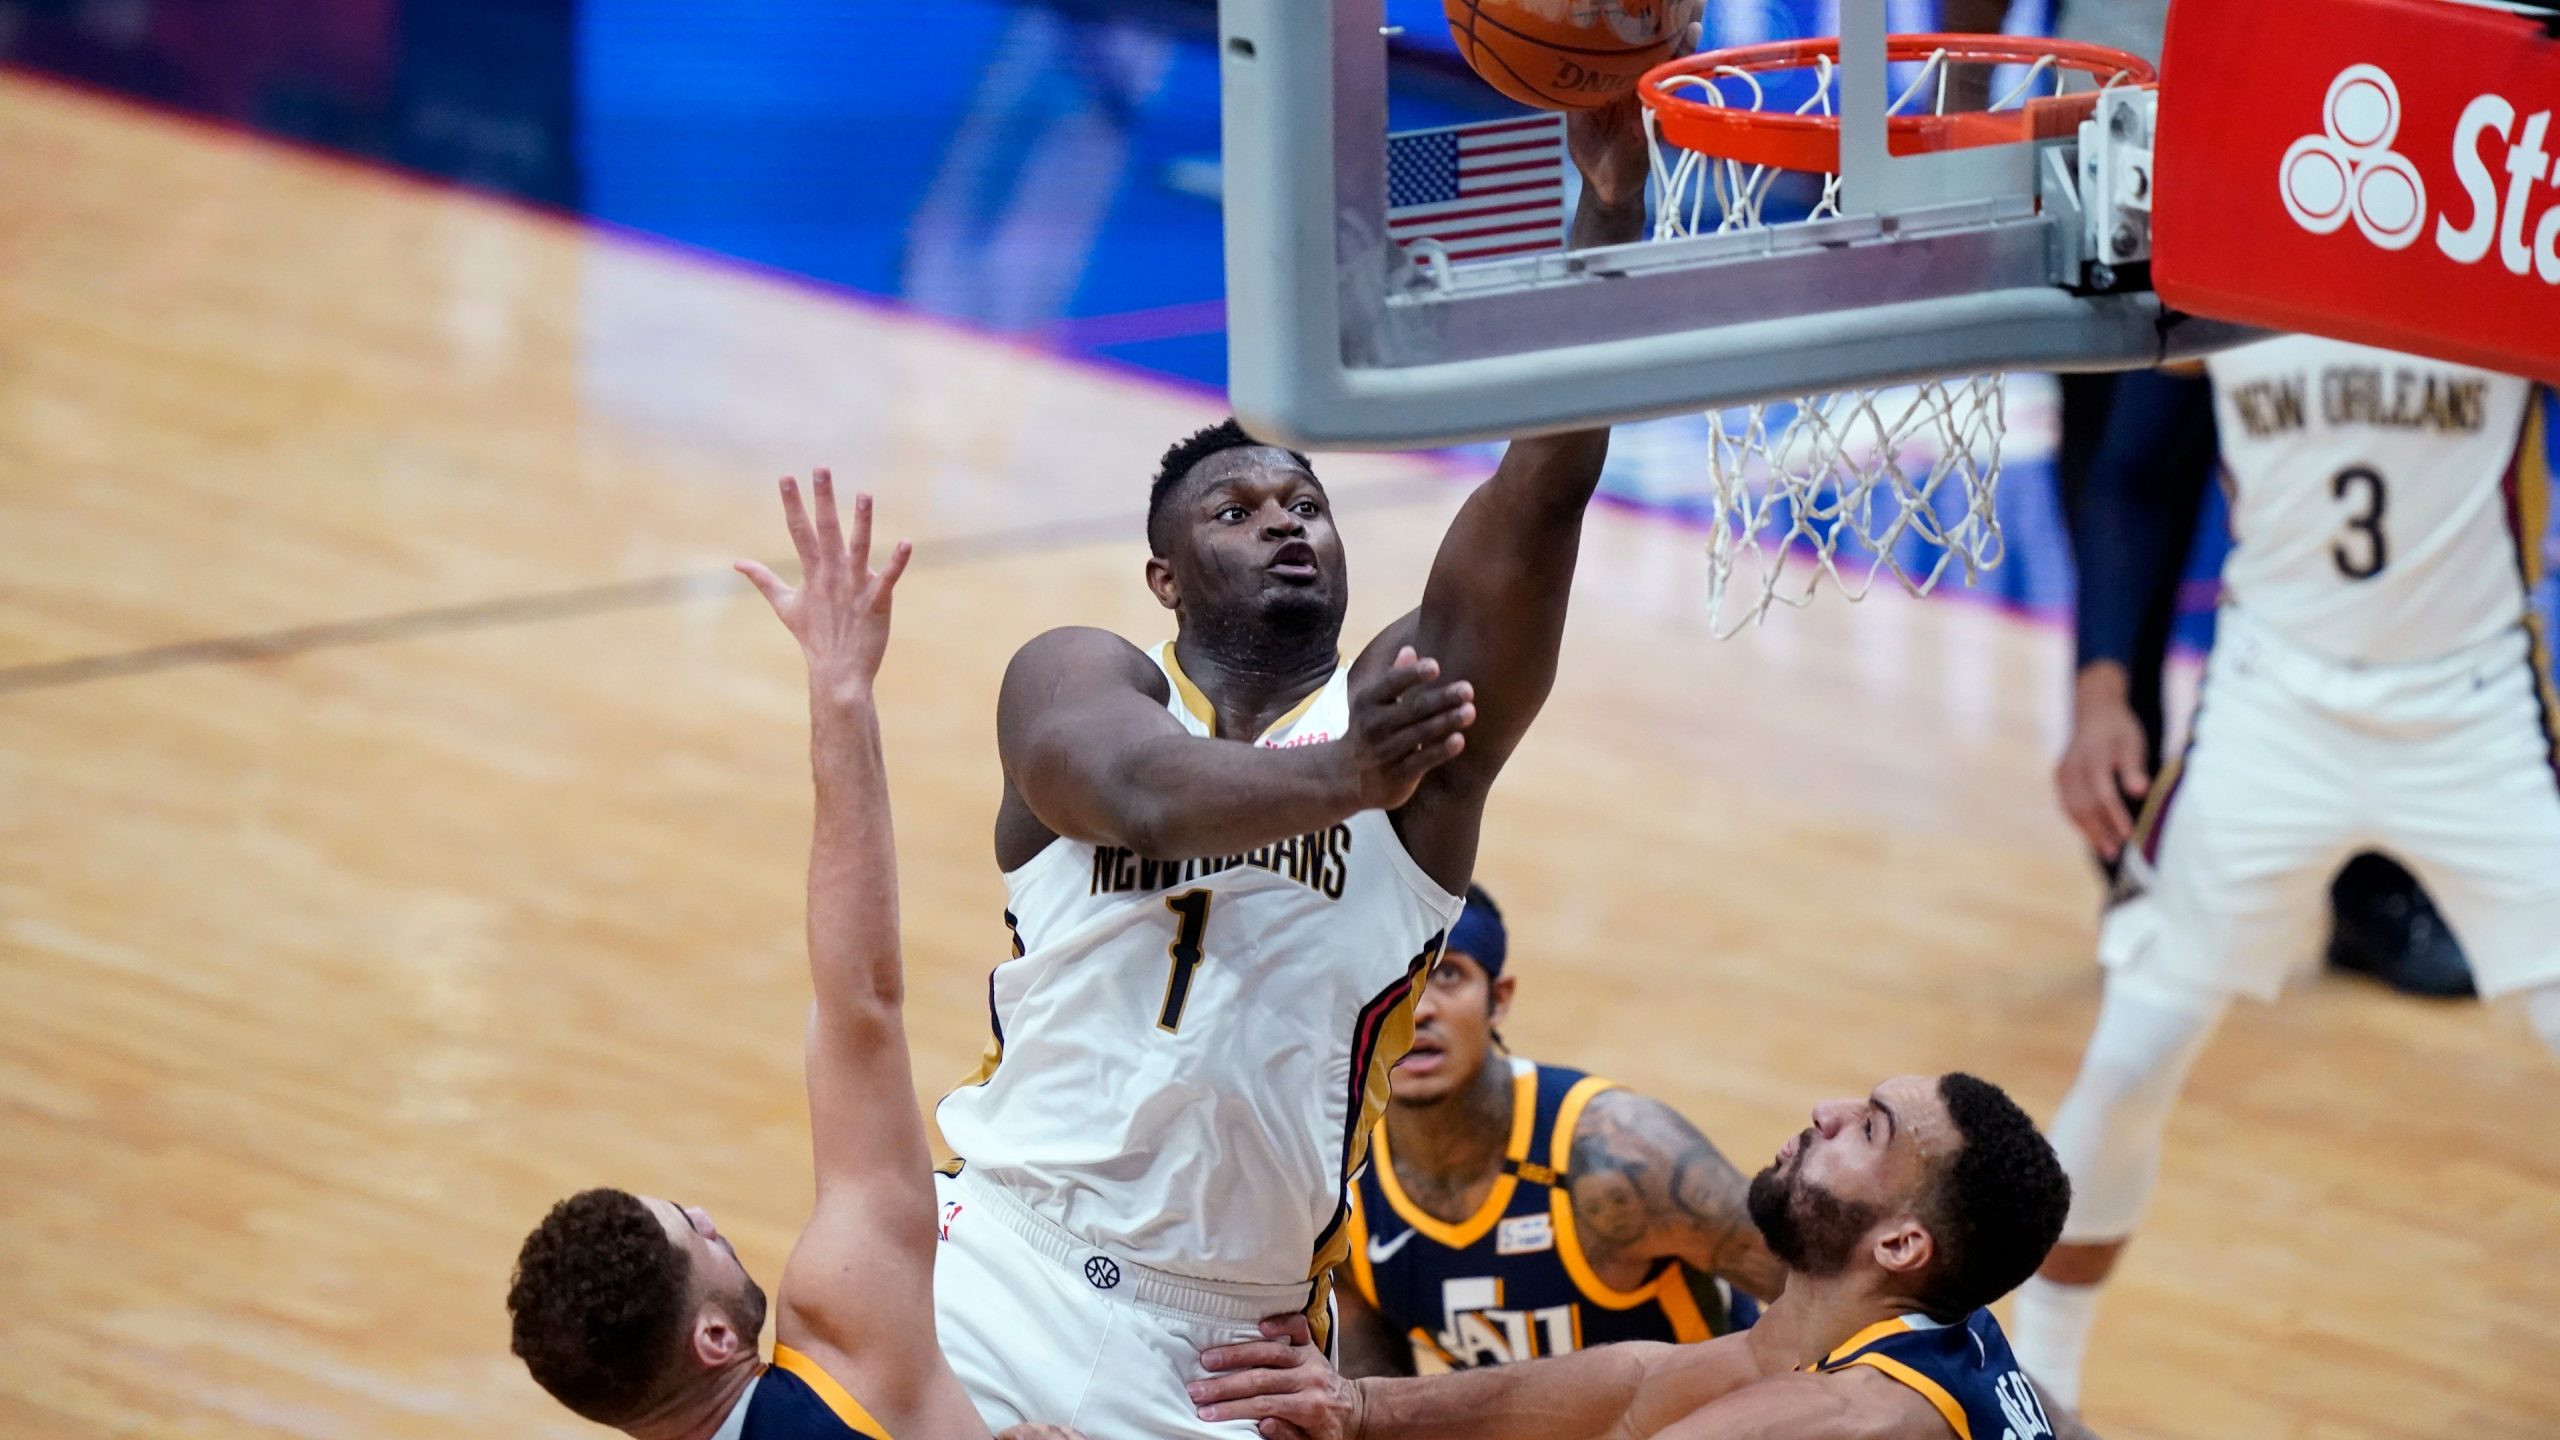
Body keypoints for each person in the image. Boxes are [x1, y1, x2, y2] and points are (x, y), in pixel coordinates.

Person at [924, 74, 1692, 1439]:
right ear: (1164, 576)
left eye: (1308, 502)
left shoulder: (1415, 724)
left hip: (1230, 1346)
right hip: (997, 1260)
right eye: (1236, 508)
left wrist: (1611, 207)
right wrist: (1346, 784)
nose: (1286, 522)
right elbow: (1134, 794)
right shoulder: (1082, 676)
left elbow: (1543, 488)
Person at [2013, 336, 2560, 1408]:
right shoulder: (2235, 229)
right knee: (2132, 1053)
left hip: (2473, 705)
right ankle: (2038, 1388)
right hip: (2272, 707)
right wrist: (2100, 687)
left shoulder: (2500, 193)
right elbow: (2132, 475)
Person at [505, 476, 1076, 1440]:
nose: (712, 1216)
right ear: (717, 1340)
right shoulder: (845, 1338)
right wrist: (839, 685)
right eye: (698, 1232)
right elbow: (860, 1002)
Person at [1190, 1073, 2098, 1440]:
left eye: (1867, 1129)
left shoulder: (1850, 1418)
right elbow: (1634, 1387)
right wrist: (1360, 1408)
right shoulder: (1928, 1328)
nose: (1823, 1110)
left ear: (1901, 1243)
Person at [1335, 884, 1782, 1377]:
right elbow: (1372, 1411)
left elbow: (1833, 1295)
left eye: (1447, 974)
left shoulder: (1625, 1154)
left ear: (1498, 1000)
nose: (1417, 1010)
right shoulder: (1335, 1189)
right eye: (1388, 979)